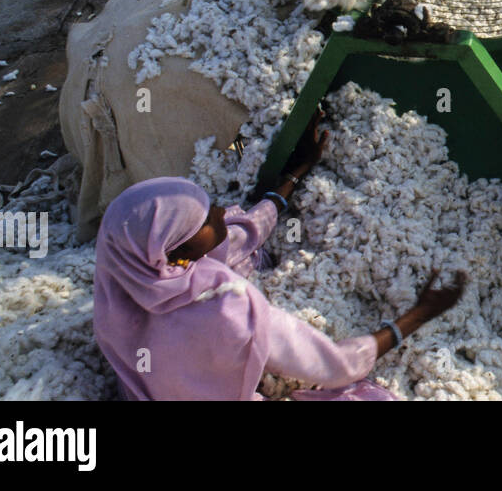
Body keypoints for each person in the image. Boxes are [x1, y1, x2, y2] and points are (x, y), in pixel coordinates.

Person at [93, 116, 465, 401]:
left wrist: (295, 174)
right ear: (175, 252)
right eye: (206, 220)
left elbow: (244, 234)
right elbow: (336, 365)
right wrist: (418, 315)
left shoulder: (118, 291)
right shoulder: (228, 311)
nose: (222, 211)